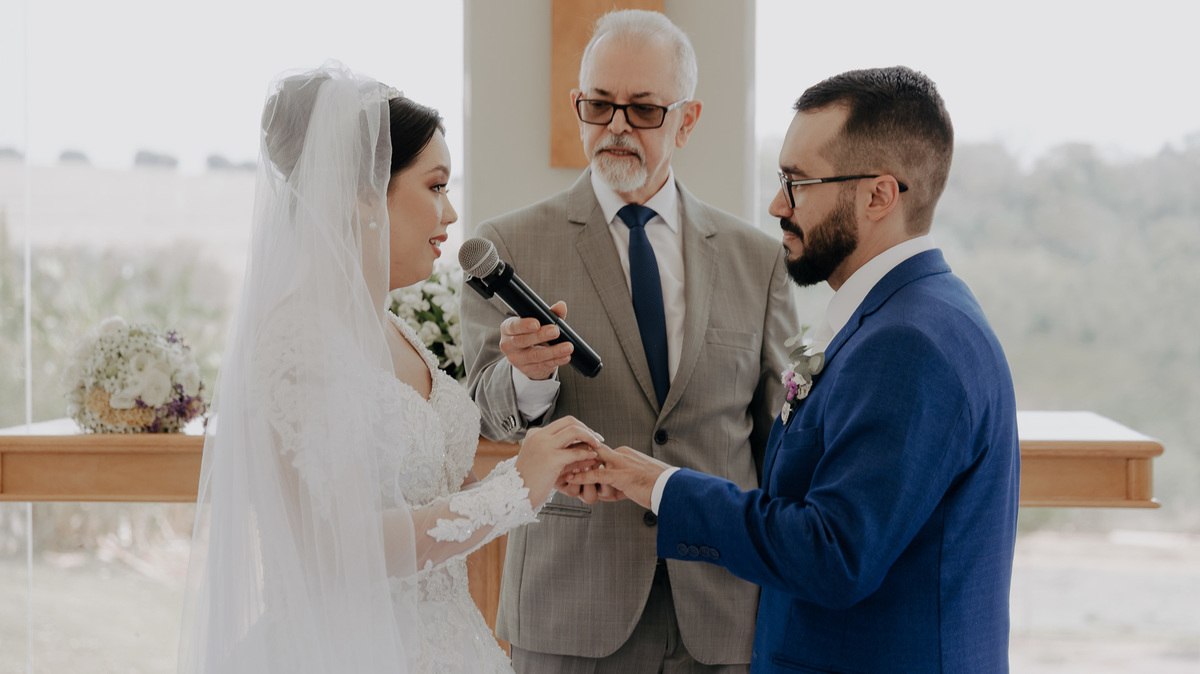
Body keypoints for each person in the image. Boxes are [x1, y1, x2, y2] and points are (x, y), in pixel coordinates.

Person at [567, 66, 1021, 673]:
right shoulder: (906, 314)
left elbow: (833, 554)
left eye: (799, 182)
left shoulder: (909, 343)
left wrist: (663, 486)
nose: (779, 204)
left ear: (879, 195)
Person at [177, 62, 602, 674]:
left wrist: (542, 464)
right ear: (363, 193)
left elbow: (426, 499)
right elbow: (341, 549)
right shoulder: (299, 339)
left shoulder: (394, 328)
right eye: (434, 187)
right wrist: (514, 489)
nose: (451, 215)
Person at [461, 10, 798, 673]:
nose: (616, 126)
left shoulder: (757, 260)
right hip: (570, 609)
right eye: (600, 106)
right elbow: (485, 414)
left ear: (688, 119)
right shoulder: (508, 245)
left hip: (723, 609)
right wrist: (529, 378)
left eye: (643, 110)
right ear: (576, 105)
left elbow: (777, 441)